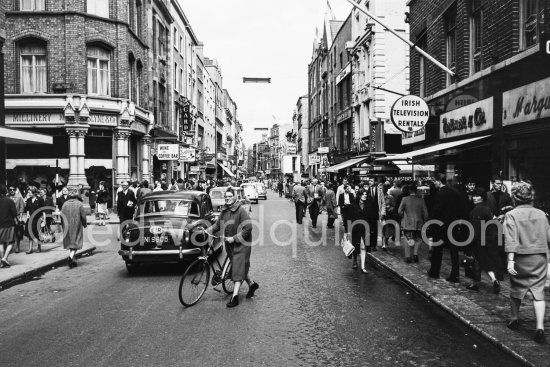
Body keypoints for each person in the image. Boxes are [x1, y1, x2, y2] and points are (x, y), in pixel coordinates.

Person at [503, 181, 549, 344]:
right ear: (530, 197)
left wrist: (510, 261)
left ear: (514, 197)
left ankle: (514, 318)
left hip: (520, 258)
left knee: (516, 288)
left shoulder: (512, 215)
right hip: (540, 258)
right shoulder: (542, 214)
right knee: (538, 291)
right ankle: (539, 328)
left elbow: (511, 239)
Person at [203, 187, 258, 307]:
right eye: (226, 197)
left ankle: (235, 297)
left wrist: (235, 238)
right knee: (238, 266)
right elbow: (217, 225)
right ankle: (252, 284)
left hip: (242, 244)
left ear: (235, 197)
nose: (227, 198)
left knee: (237, 267)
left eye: (229, 196)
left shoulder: (241, 211)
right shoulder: (224, 211)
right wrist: (206, 231)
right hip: (230, 245)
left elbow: (248, 228)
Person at [427, 174, 464, 282]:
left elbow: (437, 210)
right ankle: (455, 275)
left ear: (439, 181)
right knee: (454, 251)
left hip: (440, 226)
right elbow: (459, 210)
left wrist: (431, 221)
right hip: (453, 225)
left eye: (435, 181)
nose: (434, 183)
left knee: (437, 250)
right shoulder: (455, 193)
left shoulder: (440, 193)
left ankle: (435, 272)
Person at [465, 188, 502, 293]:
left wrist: (469, 242)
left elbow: (475, 228)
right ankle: (494, 280)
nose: (475, 198)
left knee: (476, 262)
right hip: (490, 239)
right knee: (487, 262)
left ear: (482, 198)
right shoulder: (487, 208)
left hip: (480, 240)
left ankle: (475, 284)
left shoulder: (477, 210)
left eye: (478, 196)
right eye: (474, 196)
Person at [398, 184, 428, 263]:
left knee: (407, 238)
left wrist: (402, 216)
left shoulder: (404, 199)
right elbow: (425, 213)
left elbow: (399, 211)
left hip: (408, 223)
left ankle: (408, 257)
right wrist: (425, 221)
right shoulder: (421, 200)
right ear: (416, 191)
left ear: (409, 191)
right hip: (419, 223)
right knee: (418, 239)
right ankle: (415, 254)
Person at [61, 188, 87, 268]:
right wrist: (84, 224)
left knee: (70, 242)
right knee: (76, 241)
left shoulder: (64, 204)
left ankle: (73, 258)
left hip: (67, 226)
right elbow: (83, 216)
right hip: (76, 225)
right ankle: (71, 256)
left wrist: (63, 225)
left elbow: (61, 216)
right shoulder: (79, 204)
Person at [349, 189, 370, 273]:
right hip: (355, 229)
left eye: (366, 194)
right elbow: (349, 218)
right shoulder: (353, 206)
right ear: (359, 195)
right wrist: (349, 230)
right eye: (363, 194)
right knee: (356, 246)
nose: (365, 195)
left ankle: (363, 267)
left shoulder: (368, 205)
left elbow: (370, 218)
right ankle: (355, 261)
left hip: (365, 229)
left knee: (364, 247)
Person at [364, 177, 386, 252]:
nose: (370, 182)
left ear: (375, 182)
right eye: (369, 181)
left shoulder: (380, 191)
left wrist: (383, 213)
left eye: (371, 181)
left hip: (376, 213)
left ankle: (373, 245)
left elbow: (383, 202)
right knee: (368, 229)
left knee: (375, 229)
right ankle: (368, 245)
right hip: (367, 213)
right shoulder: (366, 190)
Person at [0, 185, 18, 268]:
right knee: (11, 241)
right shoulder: (9, 201)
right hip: (9, 224)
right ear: (5, 191)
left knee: (1, 243)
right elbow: (14, 213)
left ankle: (1, 261)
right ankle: (5, 258)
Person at [25, 187, 45, 254]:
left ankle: (39, 247)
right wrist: (27, 214)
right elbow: (27, 209)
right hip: (30, 219)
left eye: (29, 192)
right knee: (30, 234)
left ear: (34, 192)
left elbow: (43, 211)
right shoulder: (28, 200)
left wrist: (44, 220)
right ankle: (30, 248)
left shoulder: (40, 200)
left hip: (37, 219)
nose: (28, 193)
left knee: (37, 234)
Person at [8, 185, 25, 253]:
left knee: (17, 232)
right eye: (10, 189)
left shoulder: (19, 197)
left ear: (15, 190)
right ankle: (10, 247)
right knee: (9, 232)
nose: (12, 191)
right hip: (9, 217)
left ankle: (17, 246)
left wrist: (20, 217)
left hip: (17, 217)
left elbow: (21, 207)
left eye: (13, 189)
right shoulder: (7, 197)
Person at [382, 183, 397, 250]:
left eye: (384, 188)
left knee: (386, 229)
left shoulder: (390, 197)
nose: (383, 190)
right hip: (380, 215)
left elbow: (394, 206)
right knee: (382, 229)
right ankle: (383, 243)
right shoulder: (378, 198)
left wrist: (389, 208)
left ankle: (385, 241)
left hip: (387, 216)